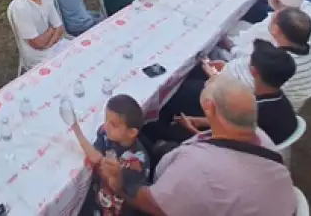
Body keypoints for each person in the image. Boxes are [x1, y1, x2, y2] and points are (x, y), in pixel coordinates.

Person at [100, 74, 295, 216]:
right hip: (276, 205)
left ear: (209, 107)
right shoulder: (260, 136)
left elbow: (152, 205)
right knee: (159, 145)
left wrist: (119, 186)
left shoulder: (197, 167)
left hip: (175, 197)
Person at [176, 40, 298, 146]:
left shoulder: (253, 110)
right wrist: (199, 121)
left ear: (253, 71)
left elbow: (225, 144)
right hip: (264, 138)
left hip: (247, 151)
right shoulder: (277, 97)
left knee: (175, 129)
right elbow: (233, 122)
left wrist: (194, 131)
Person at [69, 95, 150, 216]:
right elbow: (95, 157)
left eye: (113, 124)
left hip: (119, 209)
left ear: (131, 132)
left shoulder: (137, 161)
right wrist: (75, 127)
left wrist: (116, 175)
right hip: (98, 198)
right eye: (106, 119)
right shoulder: (105, 133)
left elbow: (120, 190)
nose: (106, 125)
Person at [221, 7, 311, 111]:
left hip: (267, 108)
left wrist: (231, 47)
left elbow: (243, 77)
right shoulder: (310, 51)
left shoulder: (278, 61)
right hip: (290, 105)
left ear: (276, 30)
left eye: (273, 18)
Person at [7, 0, 70, 70]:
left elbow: (59, 27)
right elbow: (37, 44)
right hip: (36, 55)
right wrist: (51, 30)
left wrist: (50, 44)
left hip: (53, 44)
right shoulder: (21, 8)